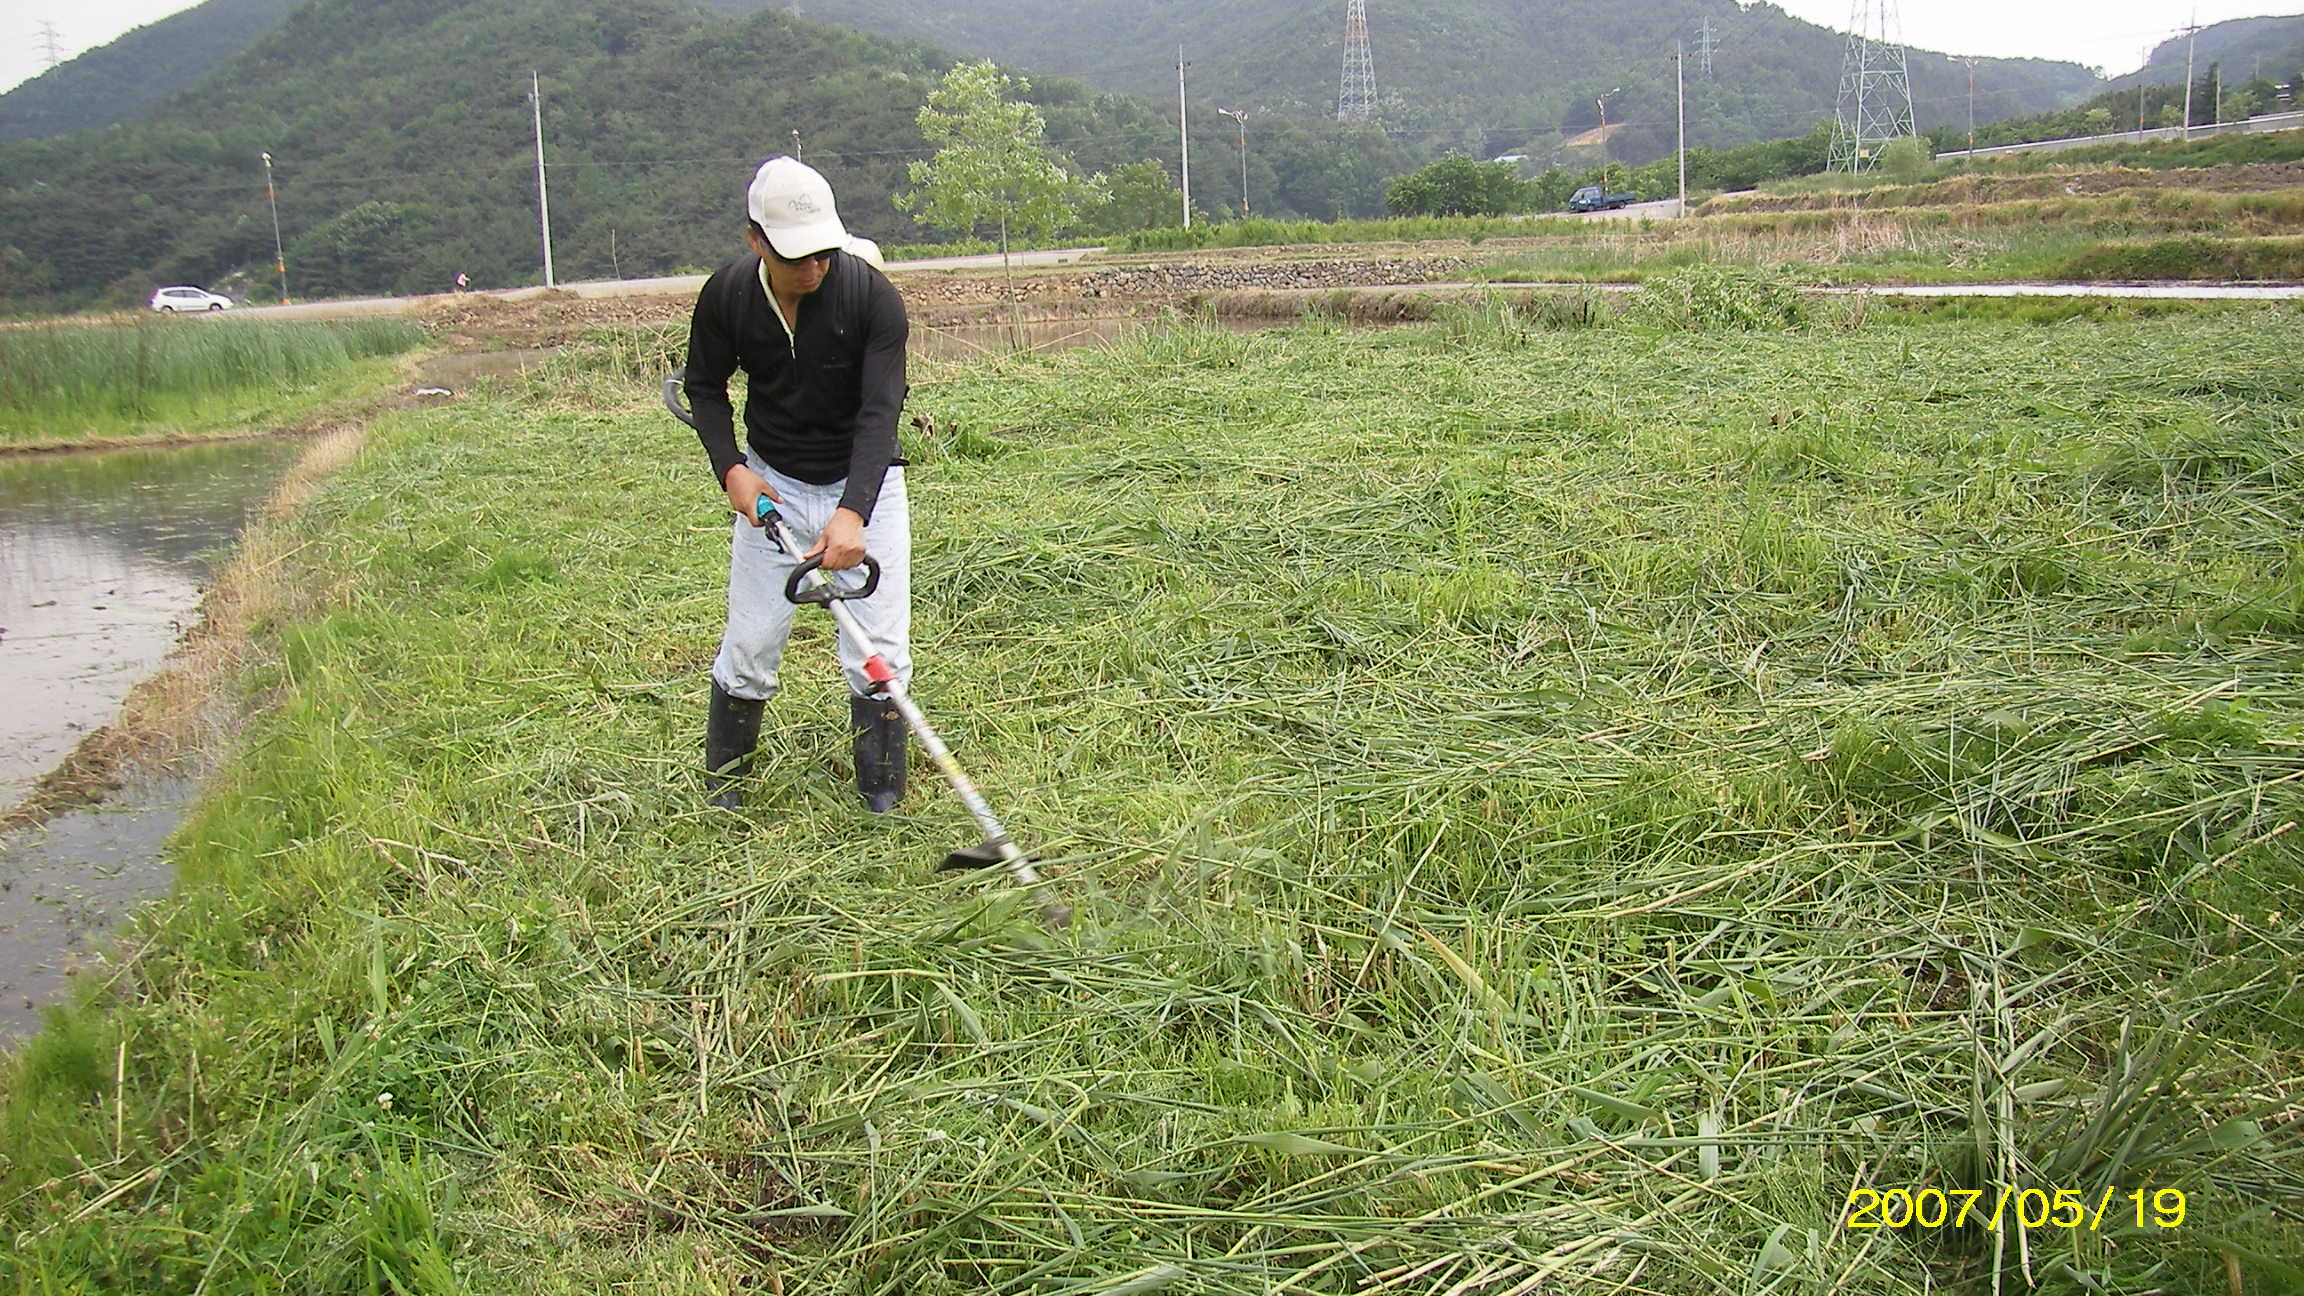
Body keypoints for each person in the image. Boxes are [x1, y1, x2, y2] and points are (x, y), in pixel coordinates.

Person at [682, 156, 911, 813]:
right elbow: (703, 387)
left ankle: (882, 792)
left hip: (866, 482)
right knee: (750, 644)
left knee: (877, 653)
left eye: (822, 255)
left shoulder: (871, 297)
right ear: (756, 239)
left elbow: (880, 412)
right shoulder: (727, 297)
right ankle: (727, 793)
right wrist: (731, 468)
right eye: (796, 258)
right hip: (774, 482)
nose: (813, 270)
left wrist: (853, 512)